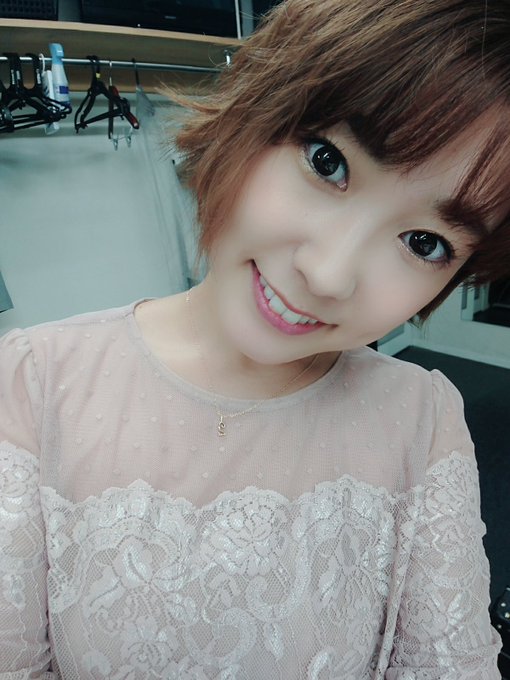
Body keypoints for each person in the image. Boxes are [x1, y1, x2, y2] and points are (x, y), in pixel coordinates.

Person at [0, 0, 509, 676]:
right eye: (327, 161)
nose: (328, 274)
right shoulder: (36, 383)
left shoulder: (422, 419)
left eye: (424, 242)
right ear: (251, 112)